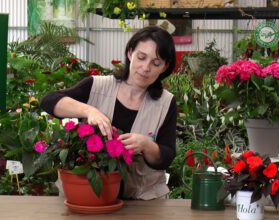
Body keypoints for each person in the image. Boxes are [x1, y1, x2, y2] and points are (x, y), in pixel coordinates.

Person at [40, 25, 177, 200]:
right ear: (130, 53)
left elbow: (166, 157)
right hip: (88, 196)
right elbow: (49, 101)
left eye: (156, 63)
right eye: (141, 57)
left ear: (164, 67)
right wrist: (89, 111)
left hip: (142, 202)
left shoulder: (165, 103)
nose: (146, 67)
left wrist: (146, 145)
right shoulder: (97, 86)